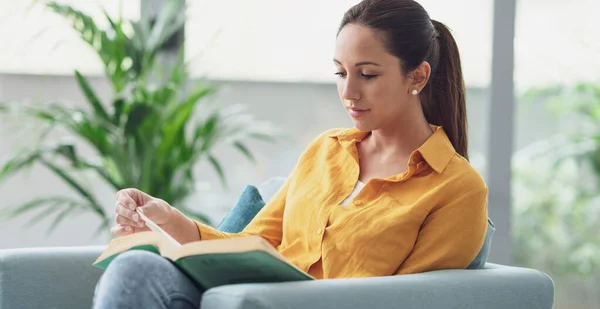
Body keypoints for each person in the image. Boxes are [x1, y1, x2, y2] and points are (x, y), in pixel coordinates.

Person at [92, 0, 489, 308]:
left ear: (417, 76)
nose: (349, 92)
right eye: (340, 72)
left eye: (367, 74)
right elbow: (249, 246)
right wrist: (167, 220)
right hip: (241, 301)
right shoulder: (325, 151)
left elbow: (413, 301)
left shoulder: (457, 189)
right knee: (134, 267)